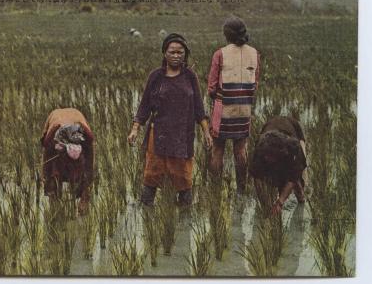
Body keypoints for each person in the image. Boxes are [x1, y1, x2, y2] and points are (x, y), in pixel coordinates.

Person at [128, 33, 212, 207]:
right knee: (152, 174)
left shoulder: (190, 76)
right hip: (159, 134)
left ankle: (184, 216)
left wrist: (206, 131)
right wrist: (135, 128)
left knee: (183, 176)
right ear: (164, 53)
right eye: (172, 52)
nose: (176, 56)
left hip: (182, 135)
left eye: (180, 52)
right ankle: (147, 216)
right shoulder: (156, 77)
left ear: (185, 54)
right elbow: (144, 106)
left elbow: (198, 107)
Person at [206, 16, 261, 194]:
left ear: (226, 34)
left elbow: (211, 87)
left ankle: (215, 191)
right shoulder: (254, 53)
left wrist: (216, 97)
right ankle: (241, 190)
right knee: (240, 150)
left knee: (217, 149)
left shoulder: (220, 54)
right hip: (244, 109)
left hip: (223, 110)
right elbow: (255, 84)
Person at [40, 108, 94, 216]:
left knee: (86, 177)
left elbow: (90, 159)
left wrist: (86, 193)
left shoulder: (85, 136)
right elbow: (45, 146)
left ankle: (82, 205)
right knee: (52, 181)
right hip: (55, 133)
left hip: (78, 119)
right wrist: (45, 177)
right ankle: (55, 207)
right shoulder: (54, 136)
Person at [250, 116, 307, 216]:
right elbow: (257, 177)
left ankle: (301, 199)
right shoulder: (260, 149)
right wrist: (265, 204)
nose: (267, 158)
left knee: (298, 185)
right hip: (270, 126)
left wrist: (279, 203)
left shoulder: (293, 149)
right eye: (266, 157)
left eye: (270, 157)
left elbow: (292, 178)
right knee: (267, 177)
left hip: (293, 127)